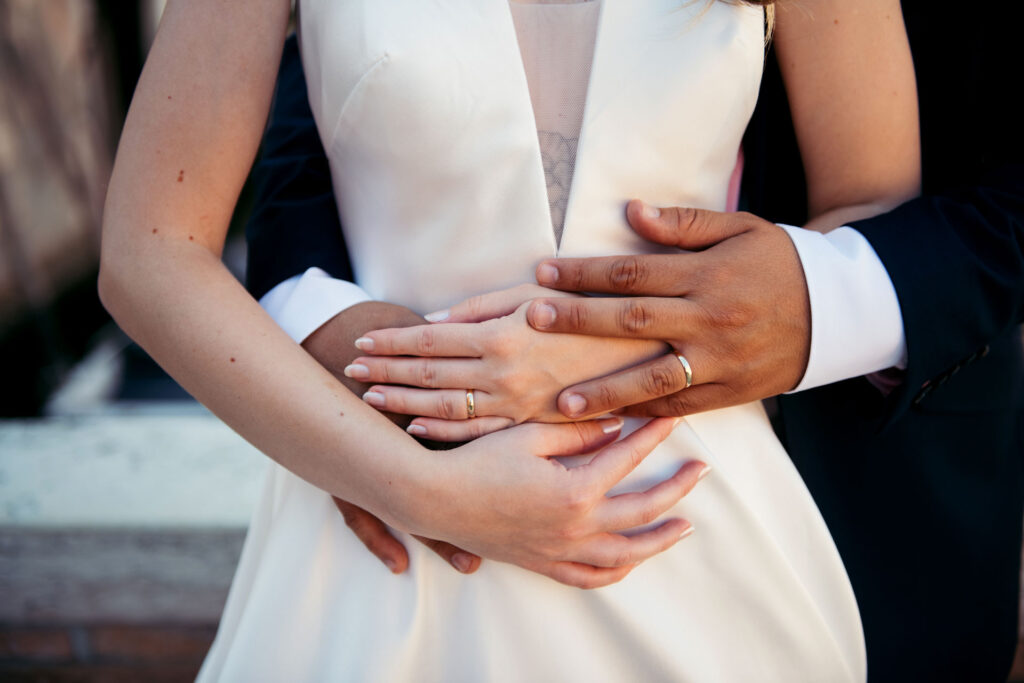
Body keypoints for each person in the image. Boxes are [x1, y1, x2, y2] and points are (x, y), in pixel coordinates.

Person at [99, 0, 919, 680]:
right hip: (385, 528)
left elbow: (875, 211)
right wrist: (424, 494)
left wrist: (630, 344)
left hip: (683, 515)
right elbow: (150, 254)